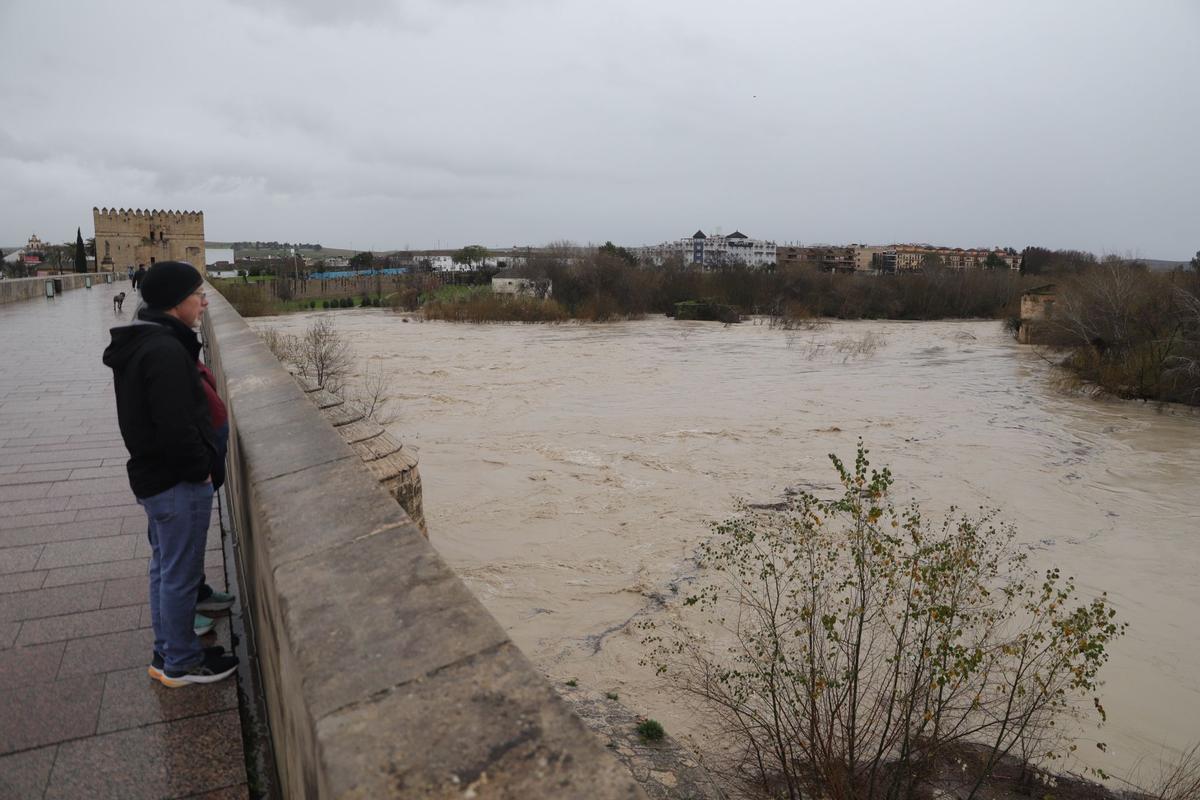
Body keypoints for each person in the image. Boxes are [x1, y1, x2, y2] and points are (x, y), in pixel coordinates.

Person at [103, 261, 238, 687]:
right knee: (177, 576)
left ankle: (168, 653)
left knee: (165, 570)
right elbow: (175, 424)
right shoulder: (163, 351)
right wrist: (199, 470)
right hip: (176, 483)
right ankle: (181, 664)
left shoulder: (149, 341)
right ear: (175, 302)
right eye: (197, 293)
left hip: (157, 479)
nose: (204, 300)